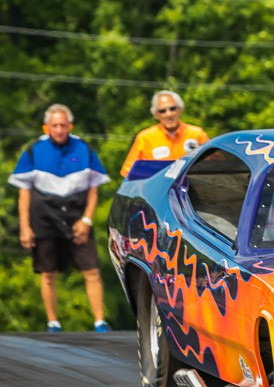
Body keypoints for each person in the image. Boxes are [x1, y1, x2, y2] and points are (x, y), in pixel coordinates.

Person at [9, 104, 112, 332]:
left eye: (63, 125)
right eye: (54, 125)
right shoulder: (33, 150)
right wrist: (25, 227)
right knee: (48, 273)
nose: (59, 129)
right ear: (46, 127)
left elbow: (94, 190)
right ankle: (53, 323)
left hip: (77, 217)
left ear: (70, 126)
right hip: (44, 217)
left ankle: (99, 321)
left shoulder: (84, 149)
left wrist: (86, 220)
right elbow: (23, 192)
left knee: (92, 270)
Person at [120, 90, 209, 177]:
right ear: (156, 114)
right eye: (162, 111)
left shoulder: (197, 134)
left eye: (172, 109)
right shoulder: (145, 137)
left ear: (180, 109)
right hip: (157, 186)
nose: (168, 114)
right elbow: (128, 171)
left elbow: (212, 163)